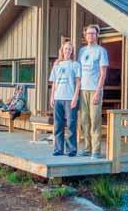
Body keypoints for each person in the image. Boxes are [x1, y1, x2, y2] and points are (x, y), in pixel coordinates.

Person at [78, 24, 108, 159]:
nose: (90, 36)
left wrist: (98, 92)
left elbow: (103, 74)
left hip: (94, 90)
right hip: (82, 90)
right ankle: (87, 148)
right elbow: (78, 71)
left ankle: (96, 150)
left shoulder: (101, 51)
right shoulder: (82, 51)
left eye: (93, 33)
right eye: (88, 33)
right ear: (85, 36)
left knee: (95, 120)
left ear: (97, 35)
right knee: (84, 120)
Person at [49, 41, 81, 157]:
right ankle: (58, 149)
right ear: (62, 50)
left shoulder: (75, 64)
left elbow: (78, 83)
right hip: (58, 98)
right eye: (65, 49)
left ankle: (71, 150)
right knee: (58, 125)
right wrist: (52, 96)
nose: (67, 51)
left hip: (69, 98)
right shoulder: (57, 64)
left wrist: (75, 98)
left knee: (71, 124)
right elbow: (54, 82)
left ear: (72, 51)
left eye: (69, 49)